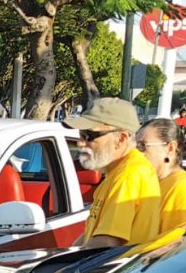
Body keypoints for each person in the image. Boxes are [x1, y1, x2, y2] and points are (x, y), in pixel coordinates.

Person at [64, 97, 161, 248]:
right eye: (81, 135)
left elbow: (108, 242)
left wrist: (66, 267)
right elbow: (93, 234)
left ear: (120, 139)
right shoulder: (117, 172)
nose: (81, 143)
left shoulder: (128, 175)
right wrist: (65, 256)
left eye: (89, 136)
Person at [134, 118, 186, 240]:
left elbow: (174, 246)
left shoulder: (183, 189)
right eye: (135, 147)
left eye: (142, 146)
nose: (136, 153)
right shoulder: (152, 182)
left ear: (170, 148)